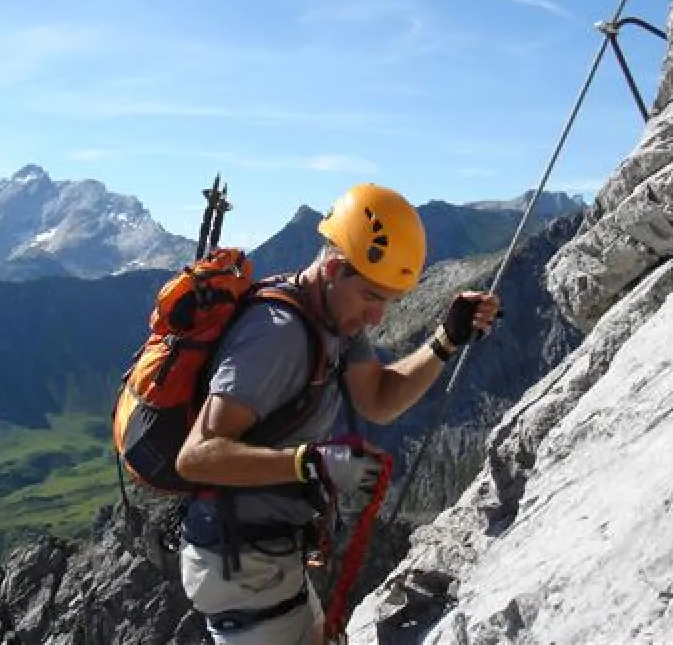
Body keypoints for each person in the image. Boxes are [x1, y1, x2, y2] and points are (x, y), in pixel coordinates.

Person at [175, 182, 500, 645]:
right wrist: (310, 464)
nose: (377, 317)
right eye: (371, 297)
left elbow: (379, 400)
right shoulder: (277, 335)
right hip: (240, 567)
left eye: (388, 301)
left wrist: (445, 341)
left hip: (268, 558)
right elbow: (196, 458)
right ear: (331, 269)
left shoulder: (334, 321)